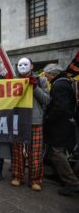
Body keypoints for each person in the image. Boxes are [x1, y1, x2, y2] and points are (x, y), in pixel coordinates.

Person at [11, 57, 50, 191]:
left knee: (36, 153)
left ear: (32, 66)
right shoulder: (13, 81)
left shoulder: (42, 80)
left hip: (35, 121)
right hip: (18, 120)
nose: (22, 66)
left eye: (25, 64)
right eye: (19, 64)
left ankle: (35, 180)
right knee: (17, 151)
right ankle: (17, 176)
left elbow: (46, 100)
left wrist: (35, 87)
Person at [43, 63, 79, 196]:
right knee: (58, 152)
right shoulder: (65, 82)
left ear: (52, 74)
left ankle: (72, 182)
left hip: (60, 126)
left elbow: (61, 108)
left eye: (46, 75)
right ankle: (61, 175)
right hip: (65, 125)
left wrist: (47, 118)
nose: (46, 77)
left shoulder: (59, 85)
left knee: (57, 153)